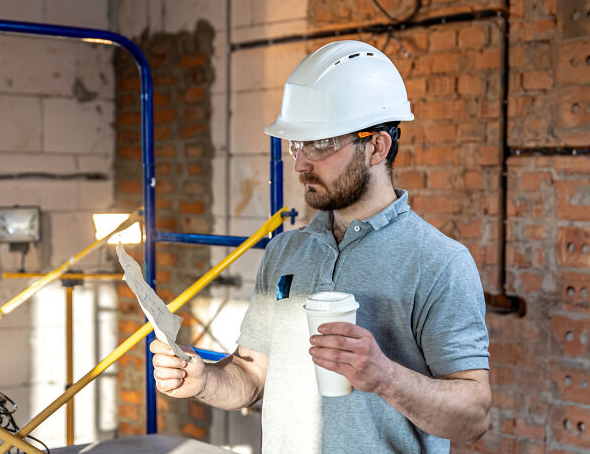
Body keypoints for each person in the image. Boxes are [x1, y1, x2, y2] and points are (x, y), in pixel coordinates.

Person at [150, 40, 490, 453]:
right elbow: (252, 374)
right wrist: (204, 381)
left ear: (377, 147)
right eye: (298, 145)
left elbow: (473, 417)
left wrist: (383, 375)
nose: (300, 164)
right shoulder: (285, 252)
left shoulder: (440, 262)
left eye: (321, 144)